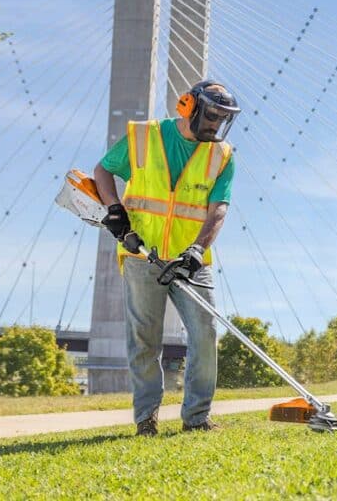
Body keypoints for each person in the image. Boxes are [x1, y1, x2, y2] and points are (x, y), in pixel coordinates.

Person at [93, 80, 240, 436]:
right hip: (141, 253)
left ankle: (197, 418)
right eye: (211, 115)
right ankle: (146, 419)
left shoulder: (222, 156)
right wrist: (114, 209)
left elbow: (217, 210)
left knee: (205, 334)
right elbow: (102, 171)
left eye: (223, 119)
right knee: (144, 340)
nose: (215, 125)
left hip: (192, 262)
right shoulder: (145, 136)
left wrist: (196, 250)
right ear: (188, 106)